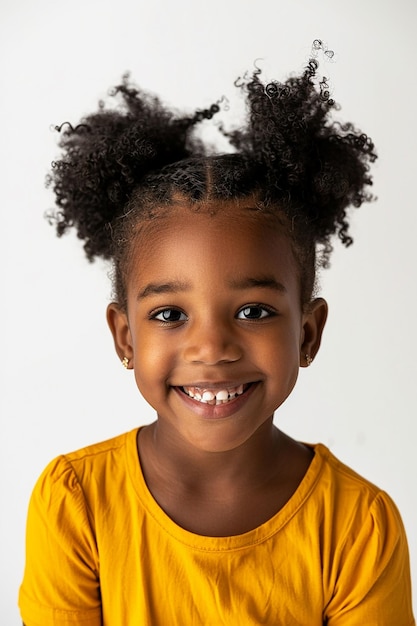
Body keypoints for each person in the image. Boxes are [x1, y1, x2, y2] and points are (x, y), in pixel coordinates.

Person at [19, 46, 415, 625]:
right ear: (124, 337)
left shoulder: (359, 525)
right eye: (170, 315)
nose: (212, 348)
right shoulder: (75, 502)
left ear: (308, 332)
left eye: (253, 311)